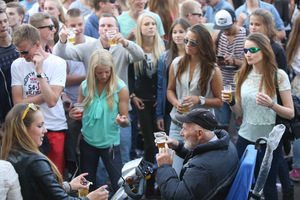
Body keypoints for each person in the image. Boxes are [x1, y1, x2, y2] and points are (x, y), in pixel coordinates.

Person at [53, 13, 144, 165]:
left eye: (109, 25)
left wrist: (126, 42)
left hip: (119, 110)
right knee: (101, 164)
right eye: (102, 25)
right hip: (96, 113)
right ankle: (102, 189)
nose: (106, 29)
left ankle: (123, 187)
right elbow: (61, 54)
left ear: (116, 28)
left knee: (123, 155)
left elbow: (140, 55)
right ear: (98, 29)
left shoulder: (122, 47)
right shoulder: (89, 47)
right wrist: (62, 39)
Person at [222, 33, 294, 199]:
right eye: (245, 50)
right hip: (245, 138)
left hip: (270, 142)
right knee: (244, 184)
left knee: (268, 186)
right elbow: (239, 112)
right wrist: (232, 102)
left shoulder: (278, 75)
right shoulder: (241, 75)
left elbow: (290, 113)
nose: (248, 54)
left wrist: (272, 104)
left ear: (265, 51)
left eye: (253, 49)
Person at [1, 103, 109, 200]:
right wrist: (90, 198)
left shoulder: (8, 155)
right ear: (23, 129)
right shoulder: (36, 161)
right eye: (40, 126)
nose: (45, 130)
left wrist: (68, 186)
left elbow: (40, 190)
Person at [11, 24, 68, 176]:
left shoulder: (58, 63)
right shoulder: (17, 65)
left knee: (55, 177)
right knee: (32, 178)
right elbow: (17, 103)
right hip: (28, 129)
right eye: (19, 52)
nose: (22, 56)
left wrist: (39, 73)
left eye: (24, 51)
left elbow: (51, 102)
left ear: (37, 45)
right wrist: (48, 92)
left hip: (54, 127)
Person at [69, 49, 129, 192]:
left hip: (110, 144)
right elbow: (79, 109)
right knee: (87, 186)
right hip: (88, 142)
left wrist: (122, 121)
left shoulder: (120, 88)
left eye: (107, 72)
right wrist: (73, 114)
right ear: (92, 71)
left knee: (119, 184)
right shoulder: (85, 86)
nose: (104, 76)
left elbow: (125, 120)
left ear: (112, 70)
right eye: (99, 72)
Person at [166, 24, 223, 176]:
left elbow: (219, 101)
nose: (187, 45)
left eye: (193, 42)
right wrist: (175, 103)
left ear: (203, 46)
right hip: (178, 125)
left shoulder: (212, 69)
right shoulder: (177, 63)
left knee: (196, 171)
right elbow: (170, 90)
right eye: (186, 40)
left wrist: (199, 99)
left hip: (200, 130)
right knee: (175, 170)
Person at [155, 108, 239, 200]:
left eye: (184, 129)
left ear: (200, 134)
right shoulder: (225, 144)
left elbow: (176, 196)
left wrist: (165, 167)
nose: (181, 133)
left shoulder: (202, 167)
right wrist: (178, 146)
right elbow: (201, 152)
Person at [128, 13, 165, 198]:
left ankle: (162, 181)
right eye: (147, 24)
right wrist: (132, 95)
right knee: (150, 145)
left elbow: (166, 78)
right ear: (140, 28)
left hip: (160, 101)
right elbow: (128, 75)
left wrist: (163, 97)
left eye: (153, 24)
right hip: (142, 101)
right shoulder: (135, 49)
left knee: (162, 143)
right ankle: (150, 183)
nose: (151, 27)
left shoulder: (164, 47)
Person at [212, 8, 246, 136]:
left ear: (236, 21)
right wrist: (218, 61)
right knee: (222, 125)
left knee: (240, 126)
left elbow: (252, 65)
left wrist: (234, 62)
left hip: (240, 88)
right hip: (223, 86)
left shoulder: (245, 35)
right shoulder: (219, 34)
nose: (225, 31)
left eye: (227, 28)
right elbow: (211, 57)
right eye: (222, 28)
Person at [156, 17, 190, 134]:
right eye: (174, 32)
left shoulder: (194, 55)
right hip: (170, 106)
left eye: (181, 32)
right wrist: (159, 114)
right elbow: (161, 86)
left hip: (189, 104)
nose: (177, 35)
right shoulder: (165, 57)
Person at [0, 9, 19, 140]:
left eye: (5, 21)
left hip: (24, 111)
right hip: (5, 115)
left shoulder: (19, 46)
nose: (3, 25)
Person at [286, 12, 300, 181]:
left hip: (296, 84)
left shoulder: (293, 43)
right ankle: (297, 166)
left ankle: (296, 166)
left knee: (298, 128)